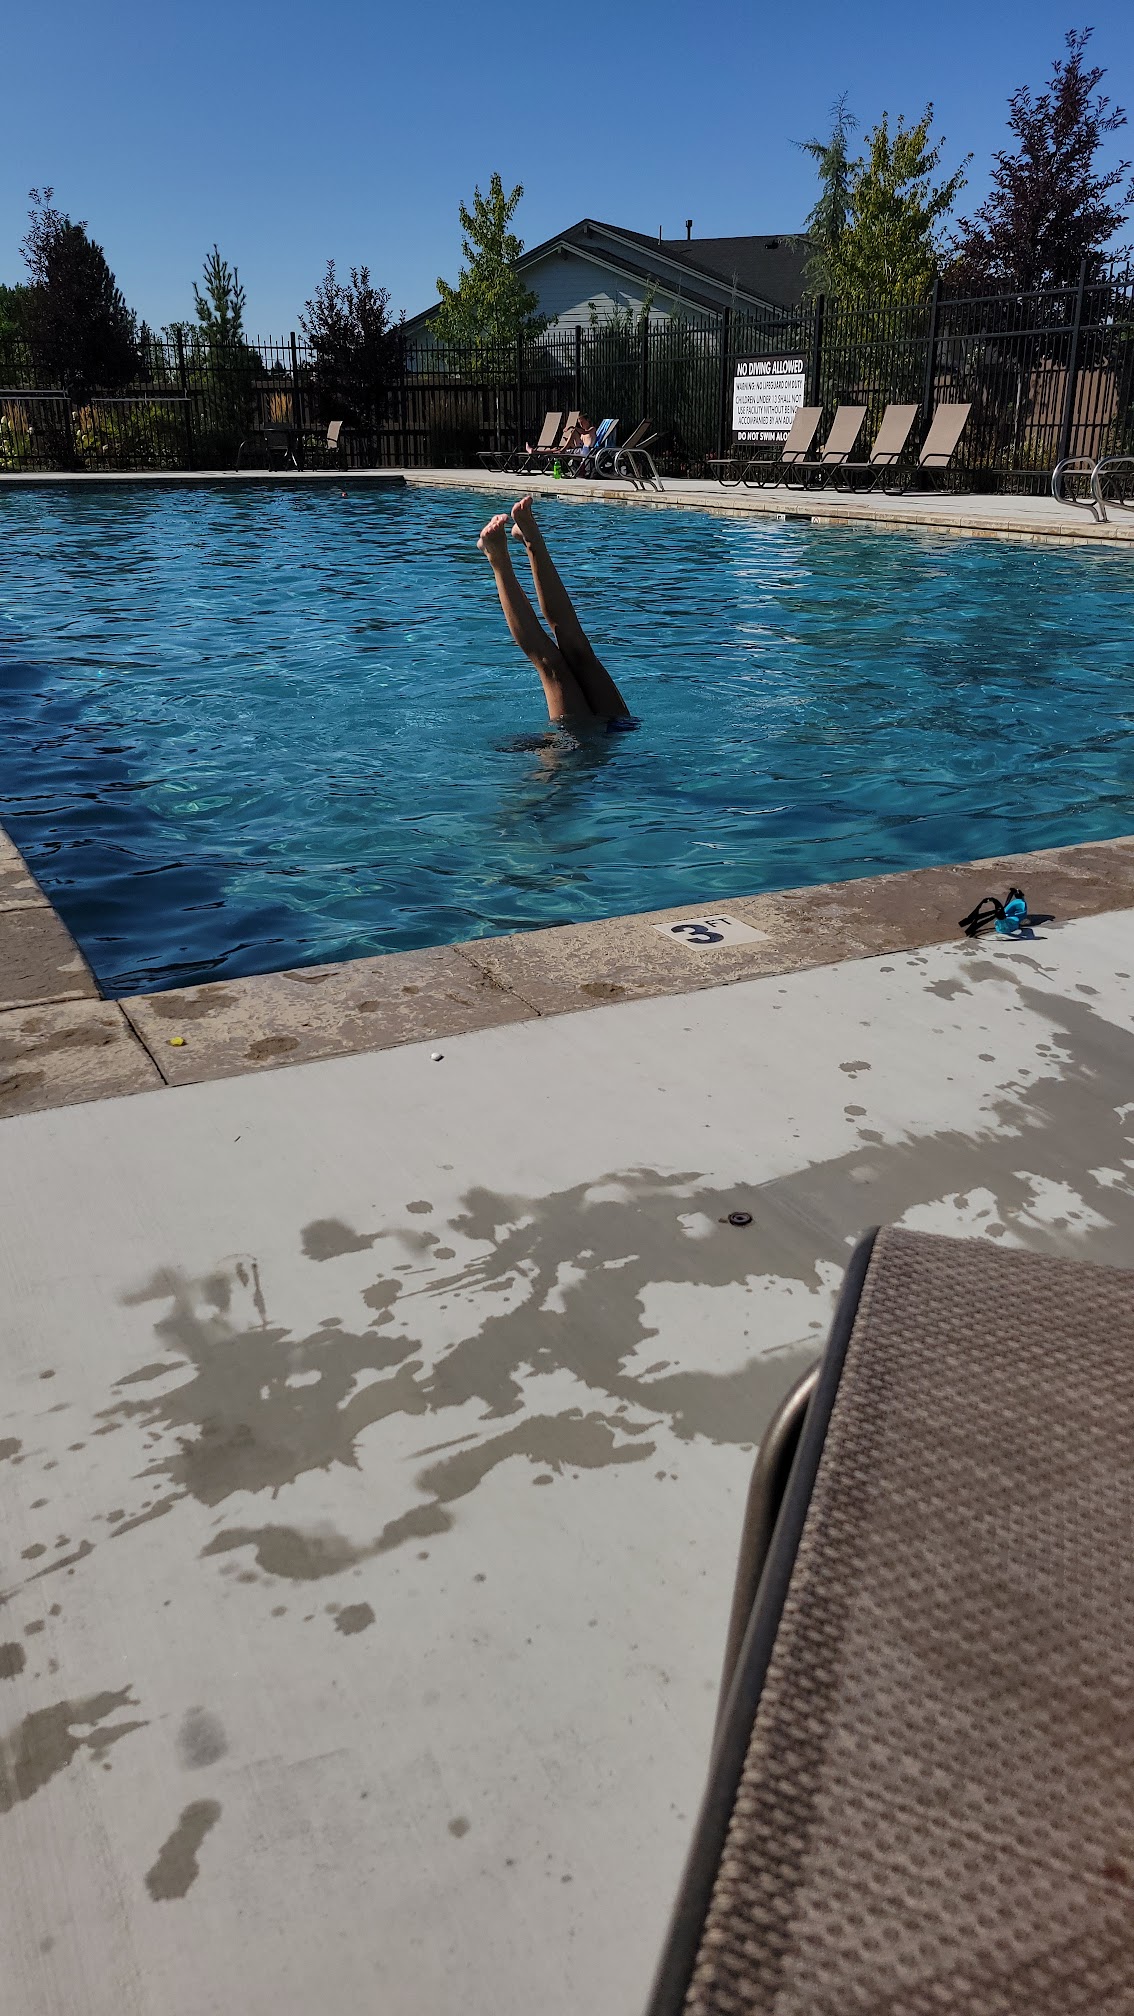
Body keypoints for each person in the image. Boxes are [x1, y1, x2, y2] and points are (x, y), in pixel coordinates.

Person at [478, 497, 634, 732]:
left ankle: (497, 556)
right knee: (579, 649)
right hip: (620, 729)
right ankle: (532, 540)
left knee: (551, 665)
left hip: (574, 745)